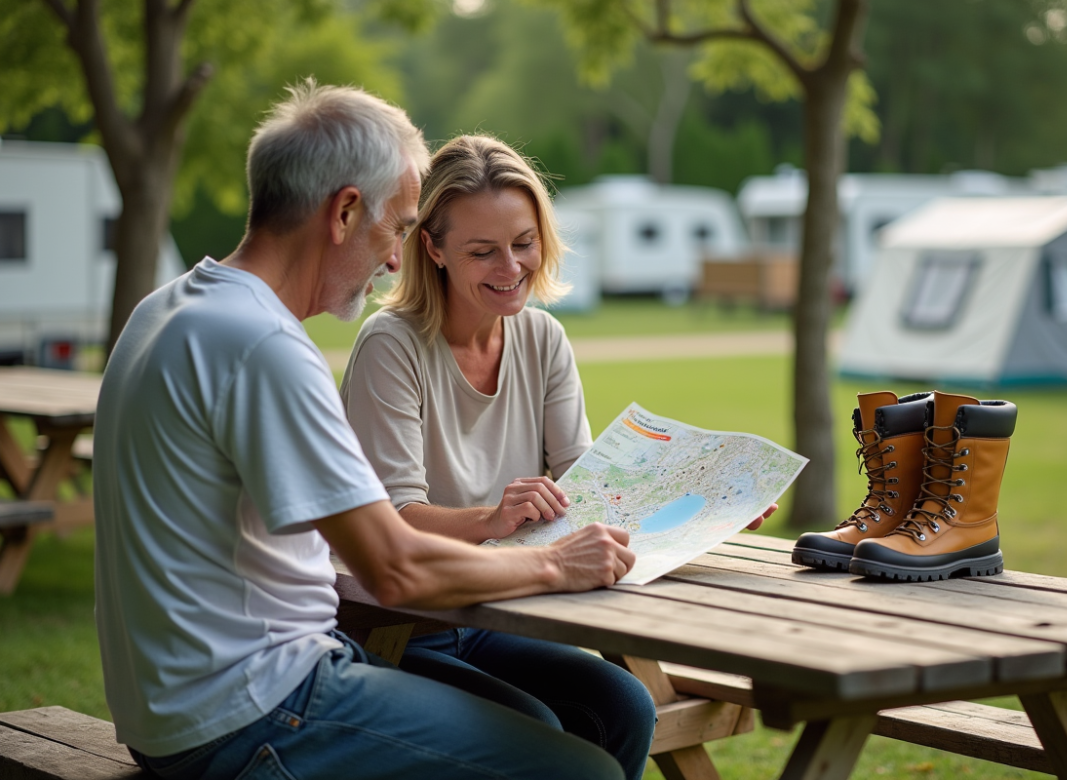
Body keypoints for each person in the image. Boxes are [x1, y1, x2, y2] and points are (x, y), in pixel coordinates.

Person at [92, 82, 635, 780]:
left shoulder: (167, 310)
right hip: (252, 711)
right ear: (345, 211)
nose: (395, 260)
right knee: (582, 771)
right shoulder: (263, 345)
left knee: (587, 716)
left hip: (188, 706)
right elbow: (393, 565)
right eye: (398, 228)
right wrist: (556, 565)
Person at [340, 135, 774, 779]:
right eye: (482, 251)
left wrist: (710, 506)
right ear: (432, 249)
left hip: (500, 612)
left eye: (524, 242)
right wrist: (492, 518)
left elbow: (591, 486)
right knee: (538, 729)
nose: (511, 266)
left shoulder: (543, 337)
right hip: (400, 626)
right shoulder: (391, 345)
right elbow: (395, 518)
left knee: (623, 705)